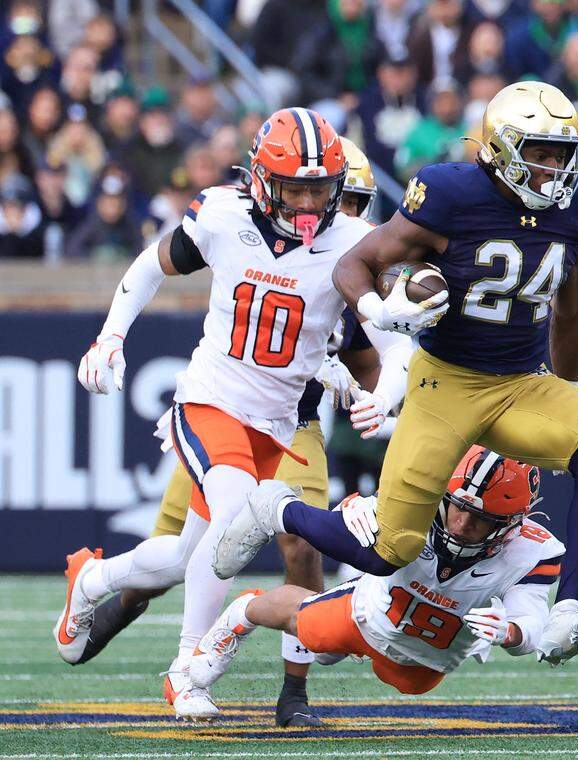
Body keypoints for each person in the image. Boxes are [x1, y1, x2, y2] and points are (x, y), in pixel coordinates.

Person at [215, 81, 578, 666]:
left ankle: (568, 610)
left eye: (562, 154)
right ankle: (275, 508)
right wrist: (377, 310)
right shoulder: (451, 193)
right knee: (389, 549)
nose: (555, 169)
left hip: (521, 381)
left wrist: (570, 388)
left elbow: (575, 302)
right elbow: (357, 263)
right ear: (502, 148)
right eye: (540, 152)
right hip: (445, 382)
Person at [63, 139, 412, 728]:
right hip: (213, 399)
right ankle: (186, 668)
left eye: (322, 190)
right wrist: (110, 337)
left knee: (185, 556)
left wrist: (382, 396)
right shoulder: (224, 215)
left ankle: (91, 578)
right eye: (295, 188)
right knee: (230, 519)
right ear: (261, 181)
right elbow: (153, 263)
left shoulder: (352, 243)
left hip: (280, 424)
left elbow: (393, 341)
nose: (310, 203)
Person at [192, 447, 578, 701]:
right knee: (313, 633)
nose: (461, 524)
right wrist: (354, 507)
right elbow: (359, 518)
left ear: (511, 523)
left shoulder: (533, 552)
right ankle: (240, 614)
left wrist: (509, 631)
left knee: (409, 685)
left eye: (479, 519)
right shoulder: (423, 505)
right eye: (457, 507)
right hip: (368, 614)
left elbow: (531, 620)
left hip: (425, 661)